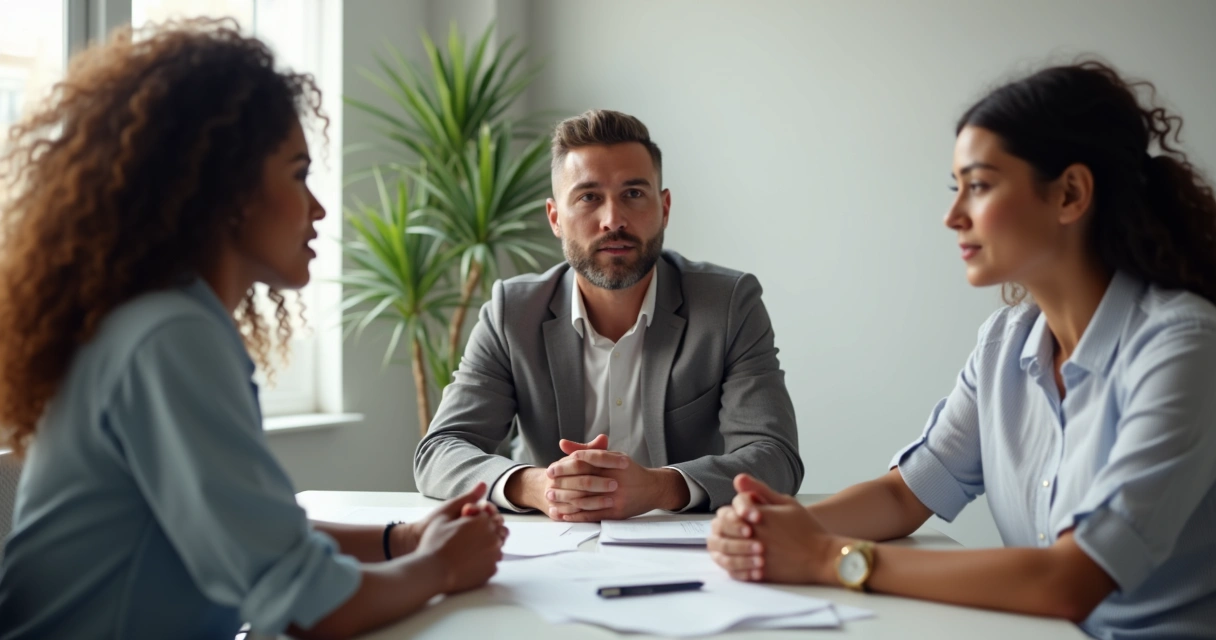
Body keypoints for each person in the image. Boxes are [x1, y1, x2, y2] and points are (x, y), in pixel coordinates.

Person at [0, 19, 506, 640]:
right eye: (297, 173)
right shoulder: (170, 337)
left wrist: (404, 539)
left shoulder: (160, 321)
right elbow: (310, 607)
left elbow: (257, 535)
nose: (317, 208)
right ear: (228, 188)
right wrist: (441, 567)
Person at [707, 60, 1216, 639]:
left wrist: (828, 558)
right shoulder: (1007, 340)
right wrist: (777, 526)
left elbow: (1070, 580)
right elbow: (904, 494)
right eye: (957, 189)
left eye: (978, 186)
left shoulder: (1182, 346)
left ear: (1070, 193)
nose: (953, 216)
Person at [415, 109, 803, 521]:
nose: (613, 220)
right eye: (588, 197)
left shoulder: (727, 304)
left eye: (633, 194)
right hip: (547, 544)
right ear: (555, 218)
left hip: (683, 549)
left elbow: (775, 457)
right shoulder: (512, 312)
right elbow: (439, 451)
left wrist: (659, 487)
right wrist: (537, 486)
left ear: (664, 207)